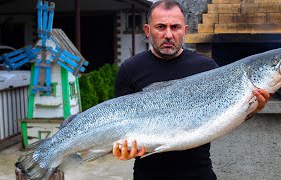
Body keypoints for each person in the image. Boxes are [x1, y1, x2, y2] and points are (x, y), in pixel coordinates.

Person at [113, 0, 271, 179]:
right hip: (147, 175)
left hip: (199, 173)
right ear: (148, 30)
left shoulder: (208, 68)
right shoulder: (130, 69)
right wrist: (122, 150)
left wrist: (252, 108)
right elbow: (121, 126)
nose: (168, 34)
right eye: (161, 27)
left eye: (175, 27)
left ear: (185, 31)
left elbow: (227, 113)